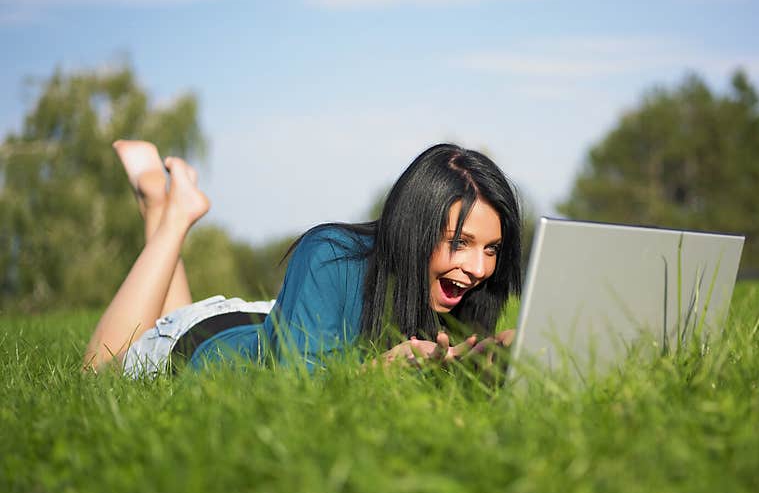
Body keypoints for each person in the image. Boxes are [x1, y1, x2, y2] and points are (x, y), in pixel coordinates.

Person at [83, 141, 523, 377]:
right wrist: (372, 375)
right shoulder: (330, 255)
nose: (480, 269)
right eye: (459, 243)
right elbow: (288, 386)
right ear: (415, 229)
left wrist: (491, 371)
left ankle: (161, 200)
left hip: (269, 321)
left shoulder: (457, 293)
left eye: (491, 249)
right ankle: (172, 213)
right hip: (200, 344)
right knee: (97, 376)